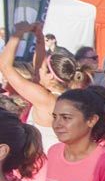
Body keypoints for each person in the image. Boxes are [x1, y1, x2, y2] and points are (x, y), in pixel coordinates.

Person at [1, 22, 91, 151]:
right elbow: (39, 64)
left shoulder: (45, 98)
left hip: (42, 163)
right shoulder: (63, 95)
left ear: (50, 76)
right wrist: (39, 37)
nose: (37, 70)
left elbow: (5, 66)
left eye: (42, 69)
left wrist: (17, 34)